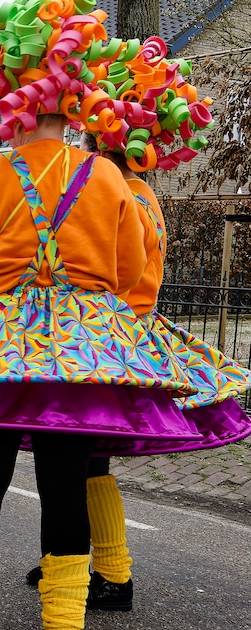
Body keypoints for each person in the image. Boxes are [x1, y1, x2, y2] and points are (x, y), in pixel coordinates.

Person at [0, 5, 222, 628]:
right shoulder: (109, 179)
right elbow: (126, 274)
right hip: (81, 352)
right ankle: (64, 621)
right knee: (65, 489)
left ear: (11, 99)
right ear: (78, 101)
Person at [19, 133, 251, 610]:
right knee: (87, 462)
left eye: (84, 143)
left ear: (100, 149)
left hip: (109, 339)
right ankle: (91, 564)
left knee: (80, 462)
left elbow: (113, 267)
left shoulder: (117, 191)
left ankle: (102, 570)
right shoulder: (144, 193)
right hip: (127, 333)